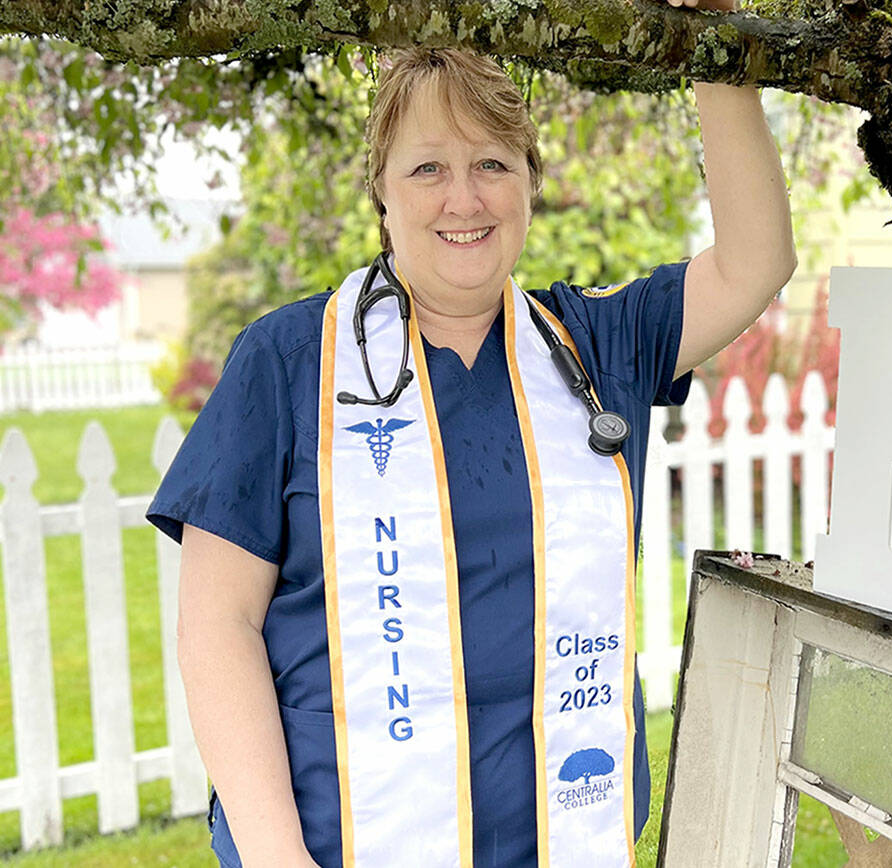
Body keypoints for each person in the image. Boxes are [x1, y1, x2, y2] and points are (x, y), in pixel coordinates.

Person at [147, 4, 795, 866]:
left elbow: (758, 260)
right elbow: (216, 627)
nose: (465, 197)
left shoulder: (600, 348)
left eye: (492, 162)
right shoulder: (289, 361)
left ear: (530, 180)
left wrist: (714, 38)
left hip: (566, 836)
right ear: (380, 187)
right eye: (427, 168)